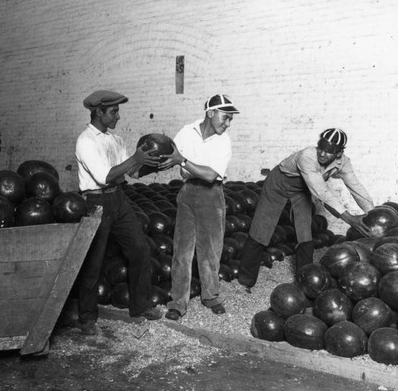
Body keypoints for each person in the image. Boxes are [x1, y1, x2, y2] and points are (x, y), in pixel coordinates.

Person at [237, 128, 374, 290]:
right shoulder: (307, 157)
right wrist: (350, 218)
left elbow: (356, 187)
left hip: (301, 190)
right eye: (320, 148)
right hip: (278, 185)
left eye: (329, 152)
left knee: (305, 234)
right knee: (261, 230)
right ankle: (245, 279)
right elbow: (321, 192)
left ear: (339, 153)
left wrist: (372, 213)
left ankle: (306, 279)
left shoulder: (343, 162)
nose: (322, 154)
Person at [75, 89, 163, 335]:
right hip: (96, 202)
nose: (118, 116)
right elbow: (105, 177)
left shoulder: (115, 139)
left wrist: (154, 166)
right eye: (113, 112)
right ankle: (87, 317)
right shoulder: (85, 140)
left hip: (119, 199)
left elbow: (132, 173)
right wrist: (135, 157)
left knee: (140, 249)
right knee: (93, 261)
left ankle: (140, 305)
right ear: (98, 112)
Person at [157, 94, 240, 321]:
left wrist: (182, 161)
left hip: (211, 195)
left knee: (210, 250)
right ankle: (178, 302)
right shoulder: (186, 131)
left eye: (231, 119)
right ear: (210, 113)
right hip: (187, 193)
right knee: (182, 250)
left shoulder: (224, 141)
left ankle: (210, 296)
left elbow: (211, 174)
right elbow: (169, 157)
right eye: (225, 117)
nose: (228, 123)